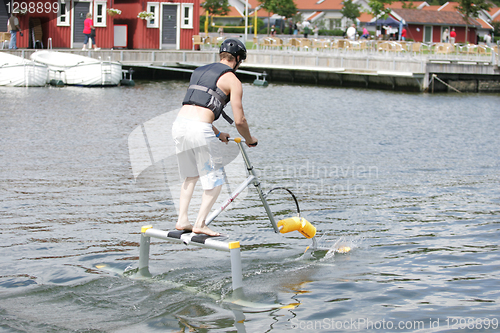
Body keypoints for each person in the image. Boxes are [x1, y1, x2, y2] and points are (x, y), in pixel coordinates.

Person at [172, 39, 258, 237]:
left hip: (179, 125)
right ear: (237, 59)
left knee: (190, 176)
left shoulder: (198, 71)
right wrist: (250, 139)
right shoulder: (233, 80)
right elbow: (240, 121)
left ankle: (182, 219)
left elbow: (197, 105)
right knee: (216, 181)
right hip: (200, 129)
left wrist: (218, 134)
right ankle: (200, 224)